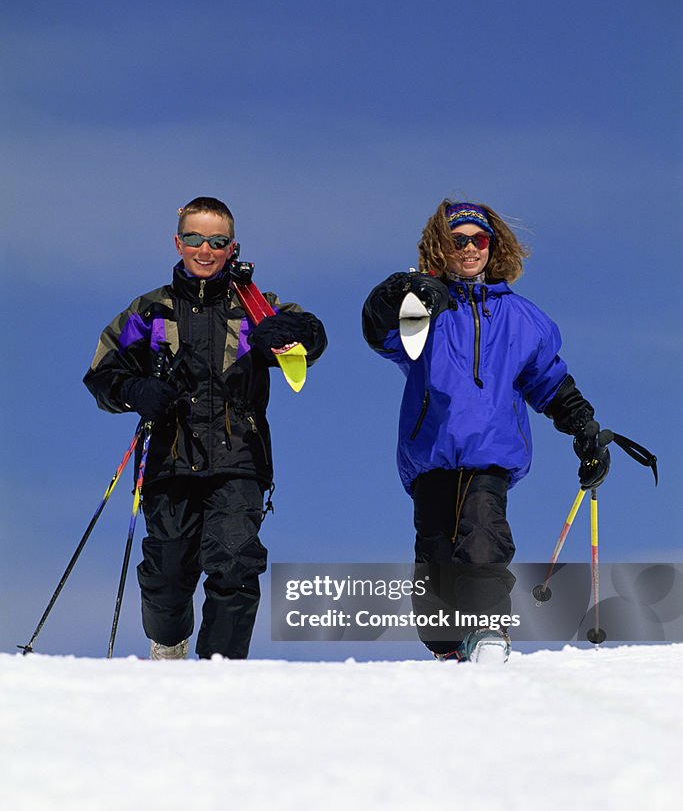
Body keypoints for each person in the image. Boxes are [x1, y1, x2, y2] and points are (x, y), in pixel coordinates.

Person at [362, 200, 610, 663]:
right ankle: (447, 648)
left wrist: (583, 427)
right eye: (460, 240)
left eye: (480, 239)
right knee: (435, 562)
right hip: (432, 454)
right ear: (443, 247)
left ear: (493, 246)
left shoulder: (522, 318)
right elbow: (381, 334)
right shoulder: (424, 308)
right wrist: (399, 291)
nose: (471, 248)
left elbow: (548, 381)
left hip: (491, 454)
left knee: (482, 537)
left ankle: (489, 629)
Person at [84, 196, 327, 660]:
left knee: (236, 563)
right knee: (167, 571)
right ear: (178, 242)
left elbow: (311, 336)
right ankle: (169, 647)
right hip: (169, 460)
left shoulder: (254, 306)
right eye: (194, 239)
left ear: (232, 247)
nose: (204, 250)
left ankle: (221, 672)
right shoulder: (150, 311)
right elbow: (102, 373)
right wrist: (136, 392)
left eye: (217, 241)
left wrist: (294, 332)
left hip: (239, 457)